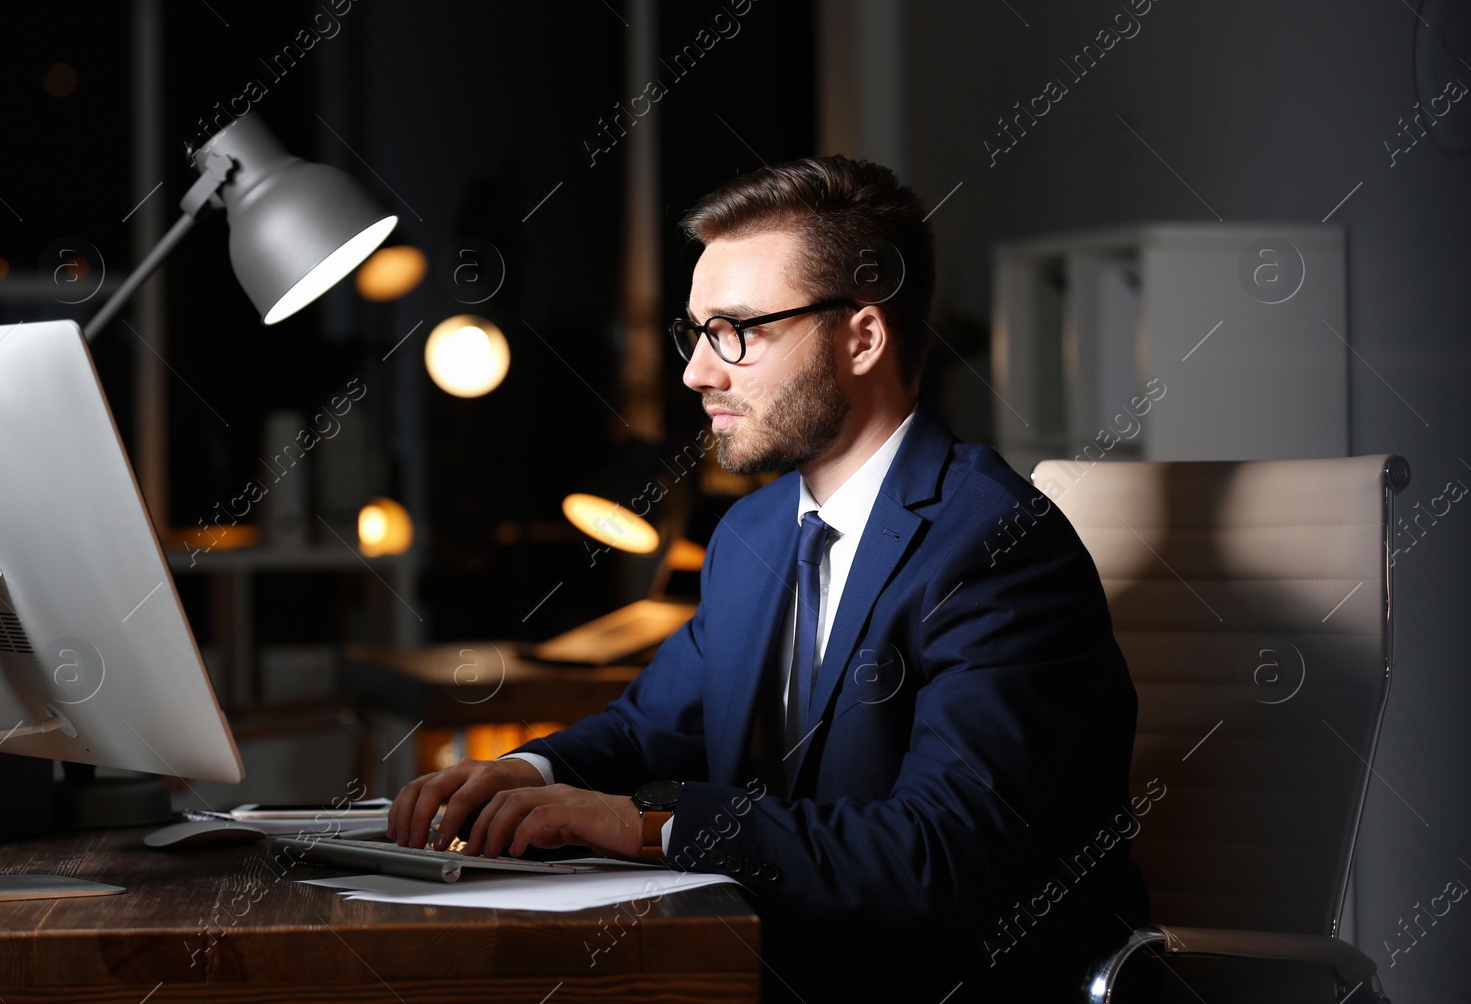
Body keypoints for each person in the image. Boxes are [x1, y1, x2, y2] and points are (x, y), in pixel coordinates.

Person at [388, 156, 1148, 1000]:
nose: (697, 372)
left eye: (737, 330)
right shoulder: (752, 533)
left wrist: (648, 829)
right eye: (696, 331)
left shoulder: (996, 544)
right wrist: (527, 773)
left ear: (862, 336)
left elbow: (934, 854)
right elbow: (650, 729)